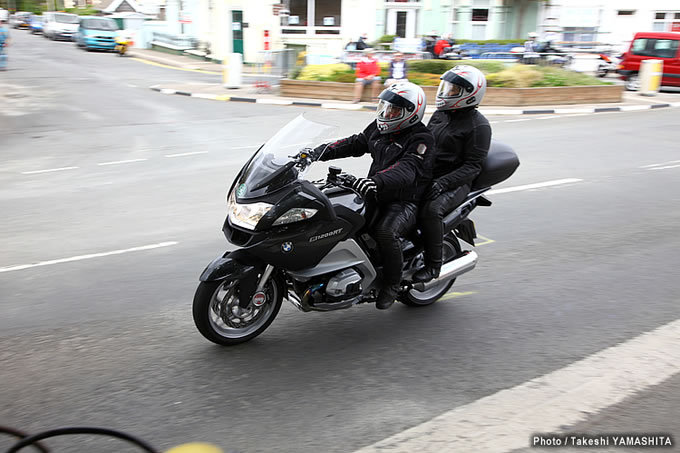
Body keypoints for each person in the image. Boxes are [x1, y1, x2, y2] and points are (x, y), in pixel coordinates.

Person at [313, 82, 434, 309]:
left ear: (411, 112)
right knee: (339, 216)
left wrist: (375, 181)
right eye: (386, 107)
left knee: (385, 232)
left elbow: (406, 169)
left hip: (404, 200)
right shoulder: (380, 127)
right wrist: (317, 152)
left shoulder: (422, 138)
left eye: (395, 110)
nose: (387, 113)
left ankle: (392, 284)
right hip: (375, 191)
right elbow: (355, 143)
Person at [413, 65, 491, 283]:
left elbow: (473, 167)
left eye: (454, 90)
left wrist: (441, 184)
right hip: (429, 174)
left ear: (470, 93)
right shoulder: (440, 115)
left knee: (431, 210)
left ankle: (433, 266)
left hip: (456, 181)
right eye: (447, 88)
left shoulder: (479, 126)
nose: (446, 93)